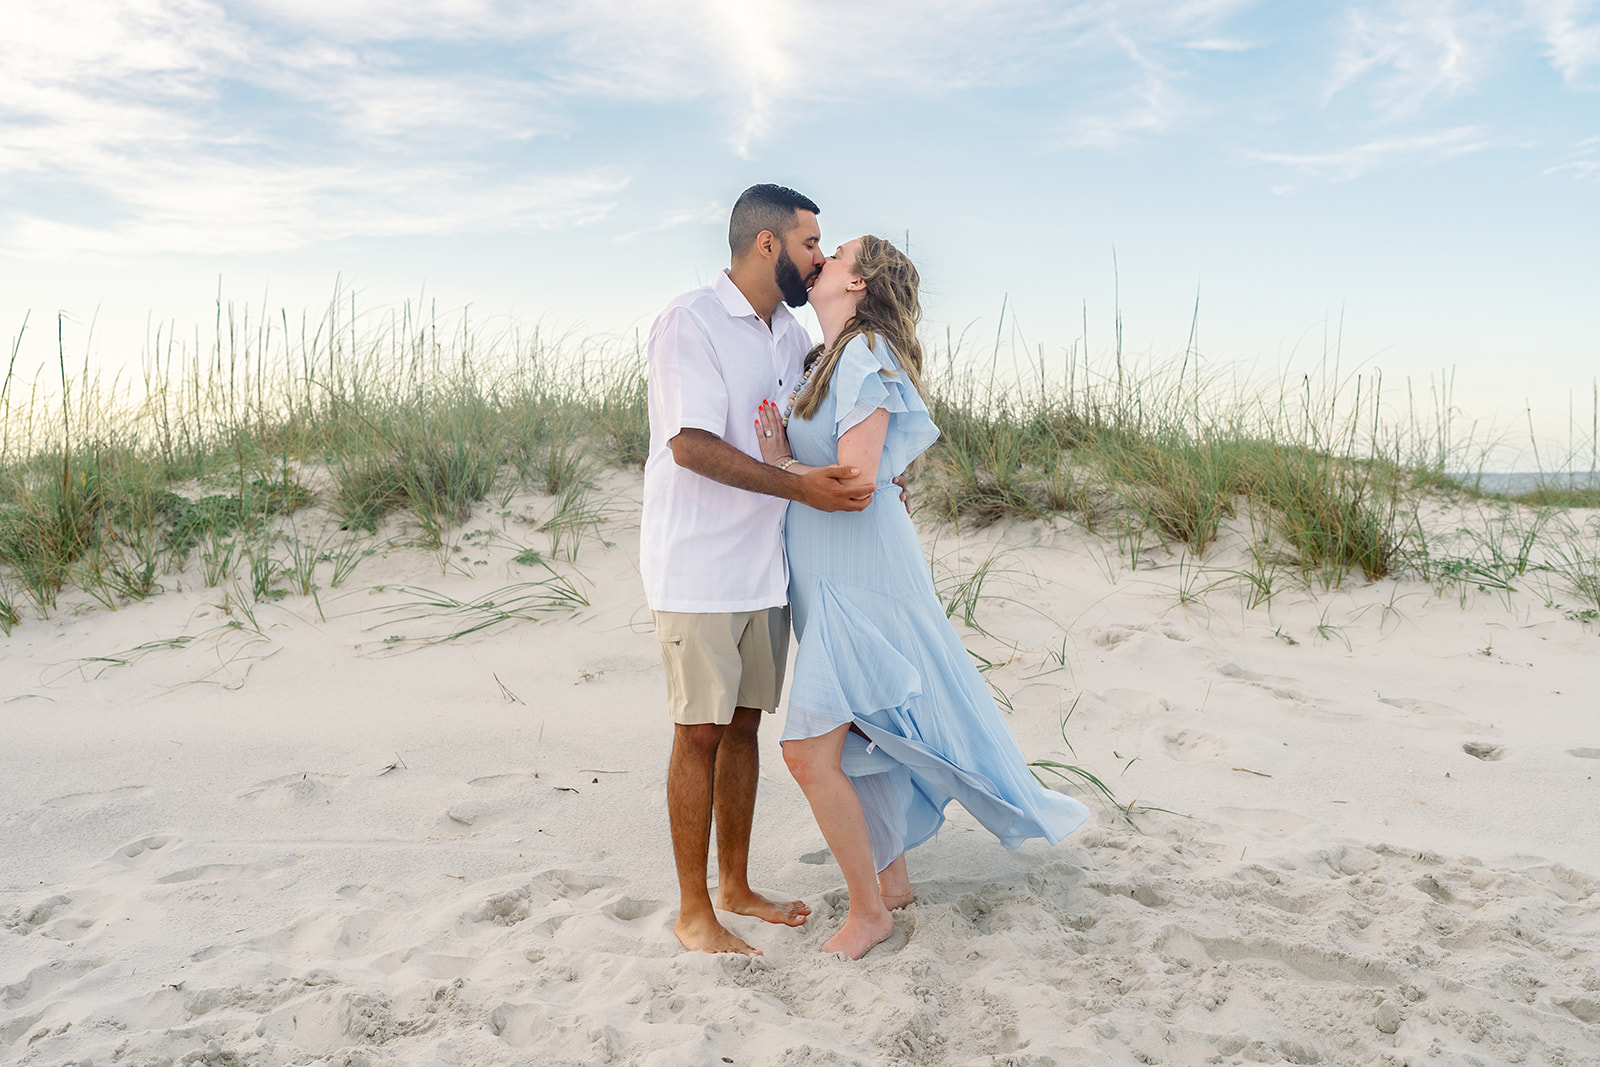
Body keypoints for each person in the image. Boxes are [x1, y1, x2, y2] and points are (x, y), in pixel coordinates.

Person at [755, 235, 1091, 959]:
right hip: (834, 577)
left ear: (861, 280)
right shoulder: (829, 358)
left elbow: (856, 481)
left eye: (835, 251)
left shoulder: (866, 357)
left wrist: (778, 459)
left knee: (811, 753)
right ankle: (892, 881)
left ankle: (870, 912)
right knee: (860, 739)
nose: (822, 258)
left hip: (859, 583)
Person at [641, 184, 877, 956]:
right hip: (699, 567)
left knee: (743, 727)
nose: (818, 257)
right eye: (811, 243)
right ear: (768, 244)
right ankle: (692, 911)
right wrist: (798, 486)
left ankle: (736, 885)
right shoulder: (692, 321)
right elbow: (692, 446)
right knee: (700, 732)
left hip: (764, 568)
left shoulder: (790, 334)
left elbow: (807, 436)